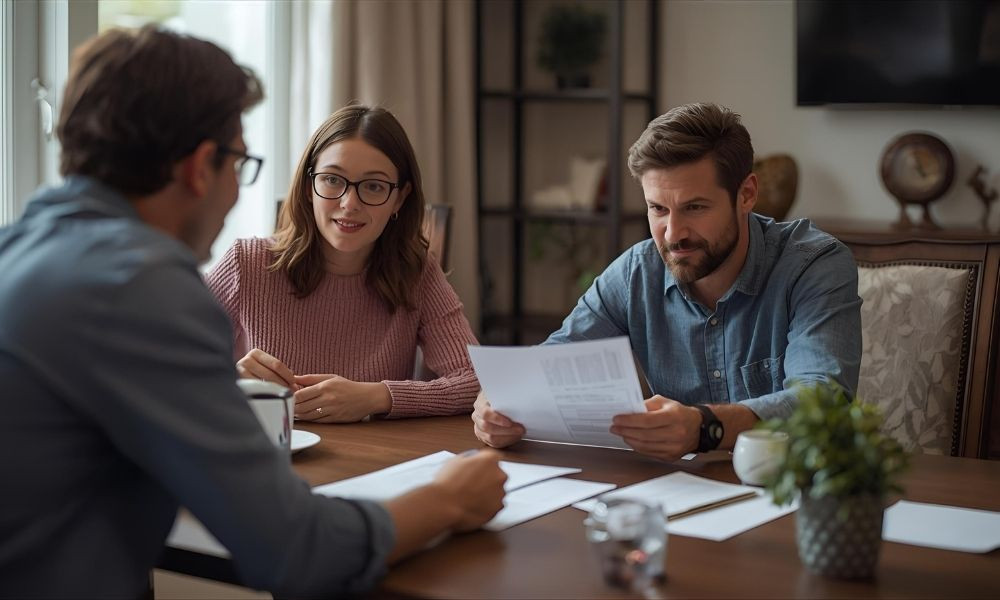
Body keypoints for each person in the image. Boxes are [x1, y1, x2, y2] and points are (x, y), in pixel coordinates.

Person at [0, 26, 505, 599]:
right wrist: (449, 499)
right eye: (240, 162)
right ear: (199, 166)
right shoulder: (140, 288)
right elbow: (295, 549)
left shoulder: (19, 248)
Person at [472, 102, 862, 461]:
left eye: (695, 207)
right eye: (657, 209)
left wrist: (704, 426)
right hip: (678, 499)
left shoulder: (814, 265)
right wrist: (500, 403)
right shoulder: (634, 274)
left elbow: (822, 401)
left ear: (746, 195)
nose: (673, 234)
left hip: (795, 489)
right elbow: (551, 364)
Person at [205, 104, 480, 423]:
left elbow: (476, 382)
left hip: (376, 462)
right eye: (333, 180)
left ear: (399, 199)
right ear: (310, 187)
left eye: (374, 186)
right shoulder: (245, 263)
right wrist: (233, 380)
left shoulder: (418, 273)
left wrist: (377, 396)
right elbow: (166, 365)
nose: (349, 204)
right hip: (268, 456)